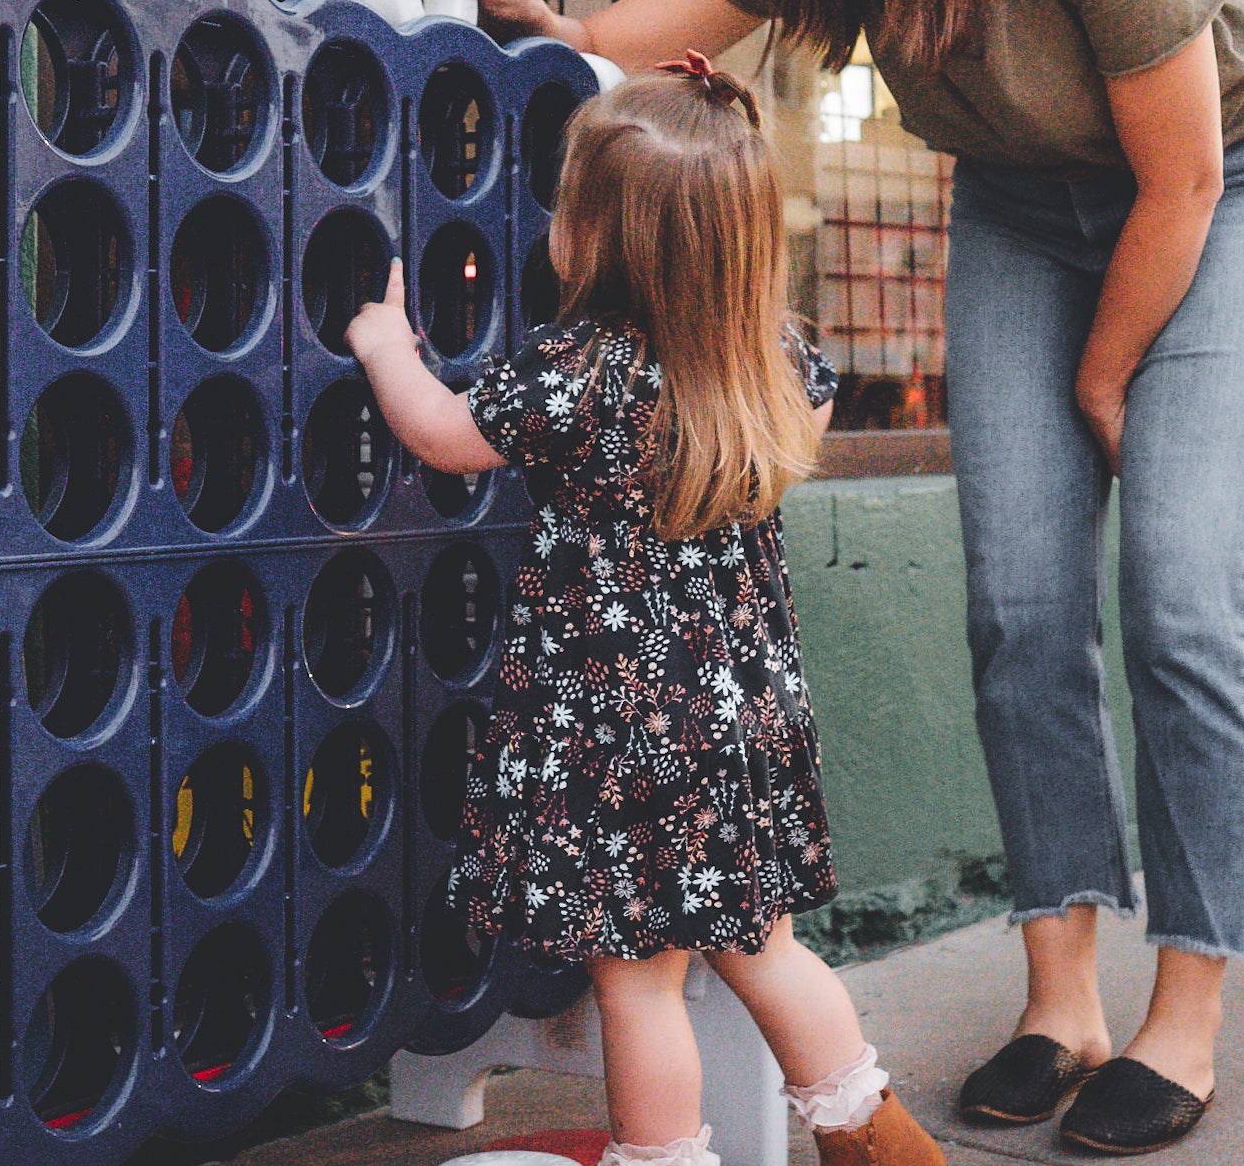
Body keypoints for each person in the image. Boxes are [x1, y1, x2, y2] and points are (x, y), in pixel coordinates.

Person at [413, 0, 1244, 1155]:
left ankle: (1185, 1006)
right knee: (1023, 597)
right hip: (1027, 207)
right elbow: (612, 43)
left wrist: (1102, 375)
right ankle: (1061, 1000)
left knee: (1178, 593)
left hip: (1225, 195)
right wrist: (513, 7)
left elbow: (1187, 179)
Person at [347, 60, 945, 1166]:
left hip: (619, 741)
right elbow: (789, 451)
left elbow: (440, 433)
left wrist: (386, 347)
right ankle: (872, 1134)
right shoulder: (778, 361)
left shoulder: (574, 375)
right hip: (741, 720)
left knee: (640, 984)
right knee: (766, 947)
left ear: (597, 238)